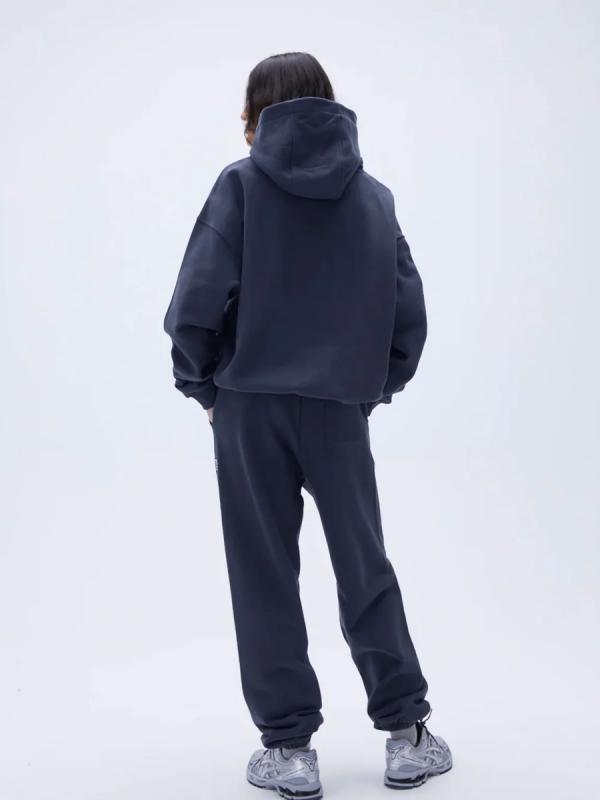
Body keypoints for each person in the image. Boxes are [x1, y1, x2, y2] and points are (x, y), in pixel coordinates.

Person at [164, 52, 452, 798]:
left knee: (262, 570)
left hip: (247, 408)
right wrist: (368, 389)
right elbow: (408, 316)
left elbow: (196, 300)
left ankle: (290, 751)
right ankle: (407, 736)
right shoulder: (374, 198)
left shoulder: (239, 186)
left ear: (257, 114)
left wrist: (203, 385)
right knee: (364, 563)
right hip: (338, 410)